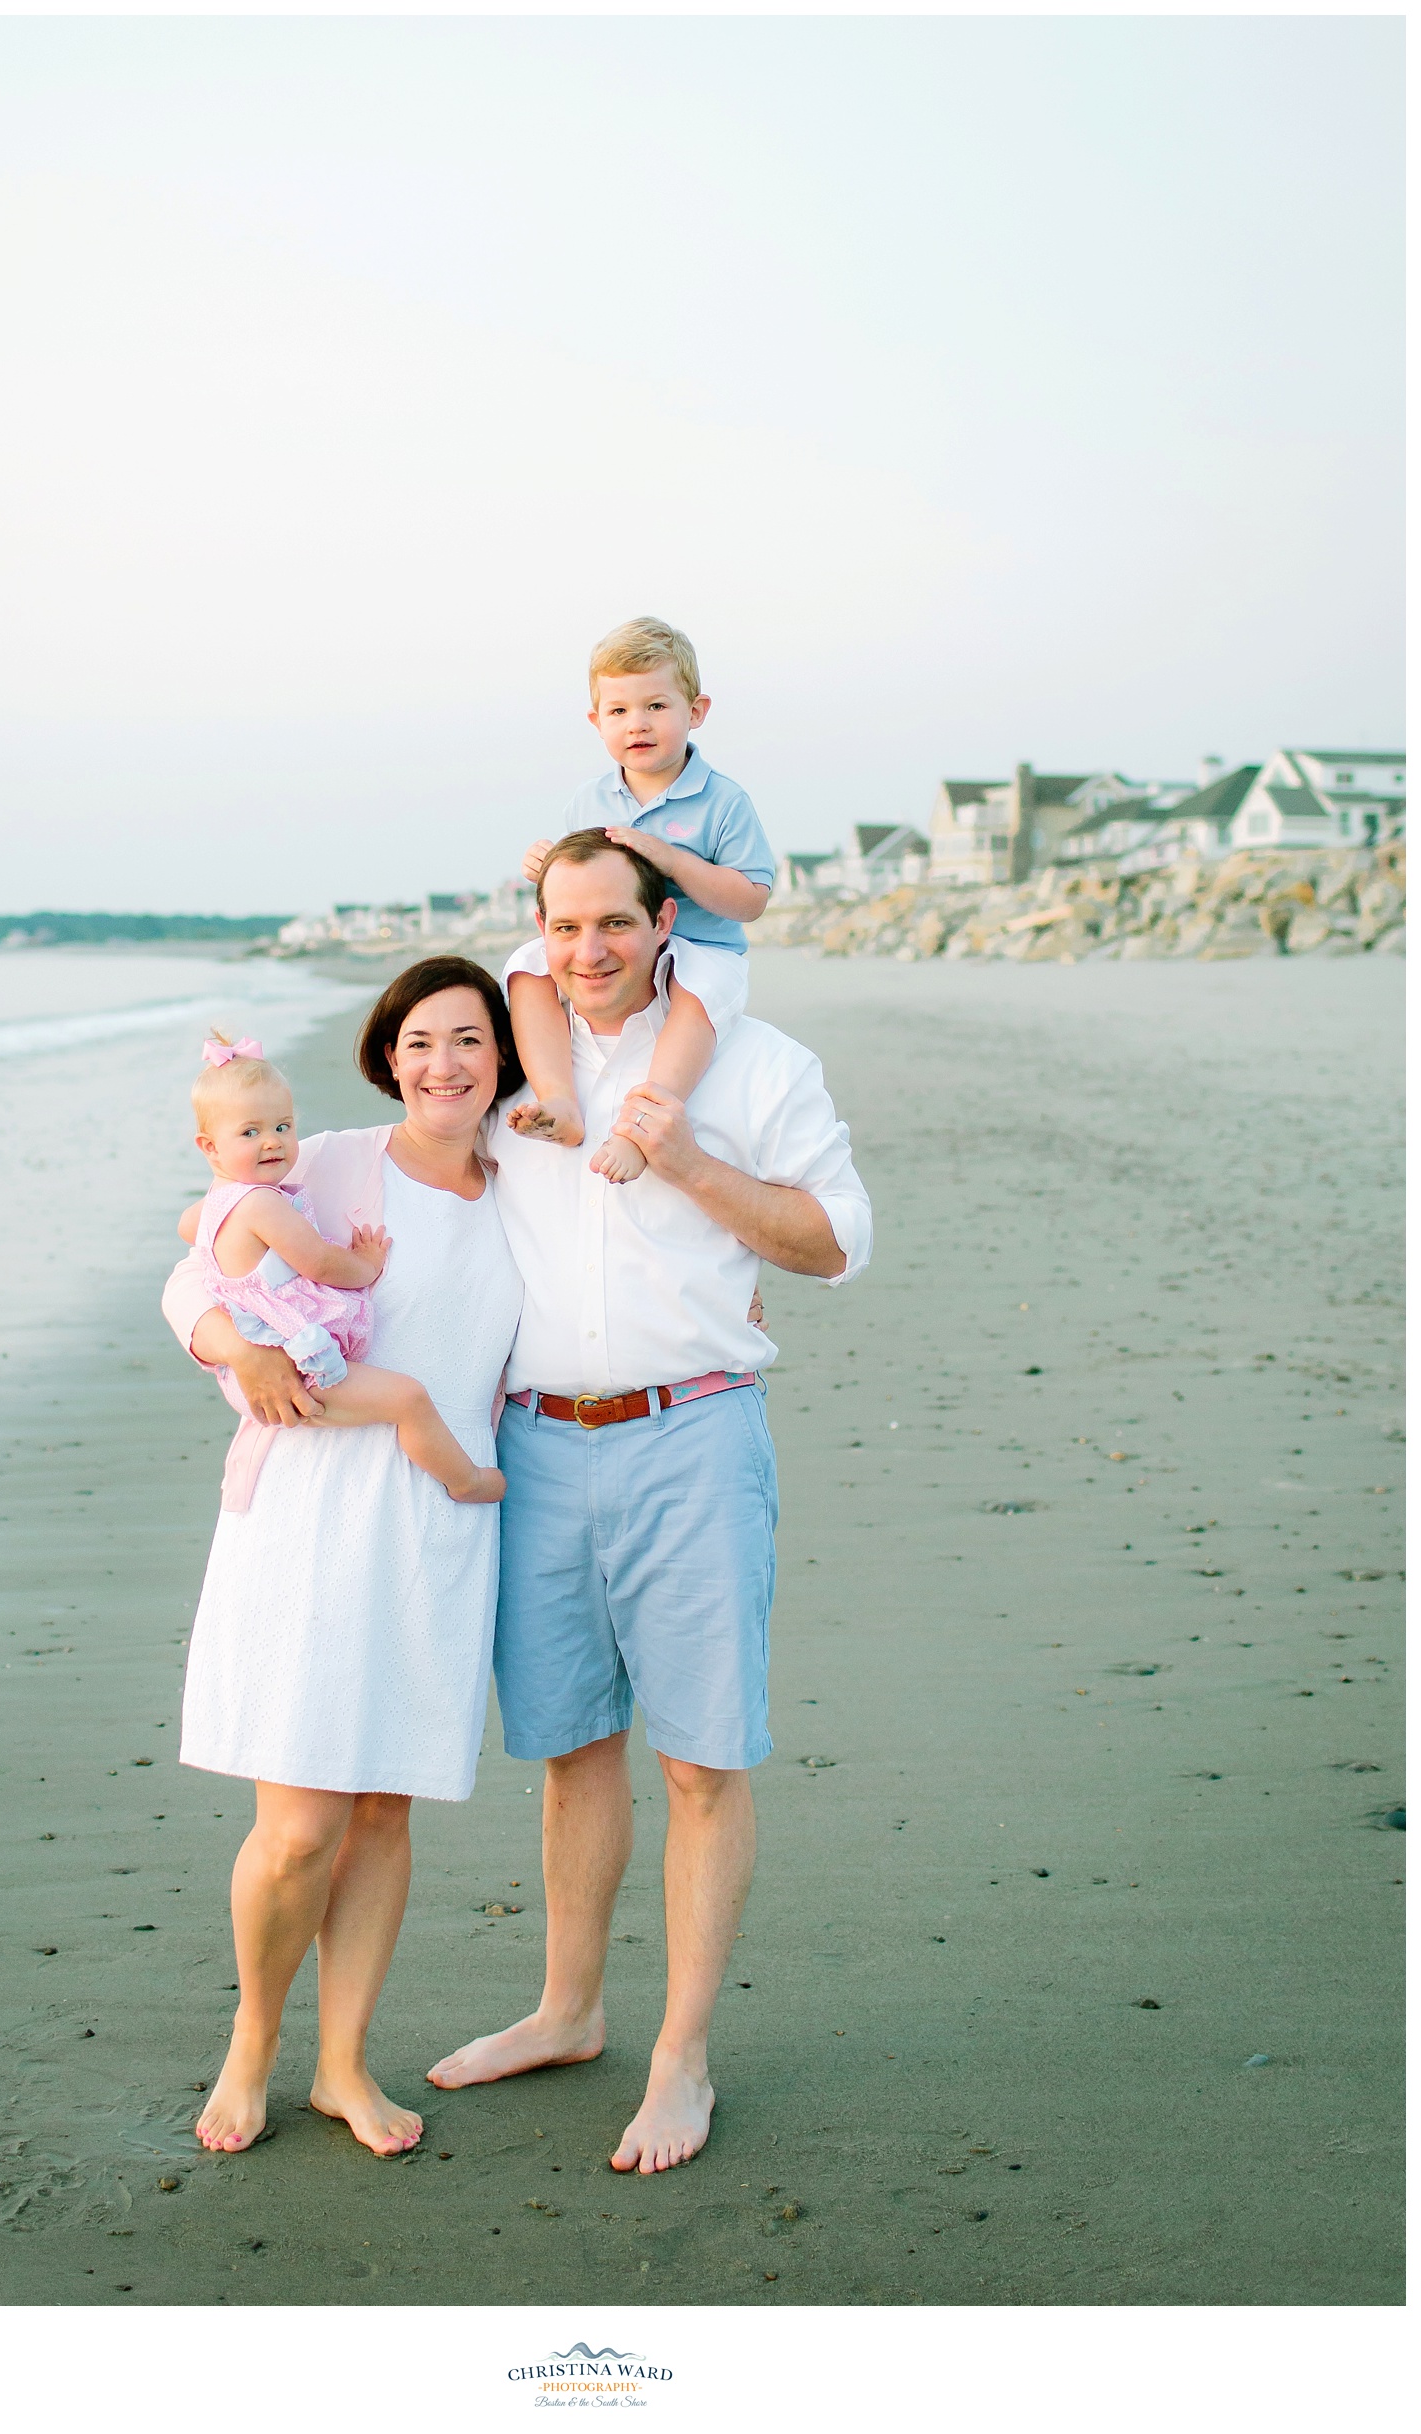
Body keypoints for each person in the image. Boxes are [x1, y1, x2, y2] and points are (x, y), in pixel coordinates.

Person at [426, 831, 871, 2174]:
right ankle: (568, 2008)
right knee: (570, 1748)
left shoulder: (754, 1061)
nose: (590, 952)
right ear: (538, 934)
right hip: (538, 1446)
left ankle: (681, 2054)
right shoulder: (510, 1073)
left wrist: (681, 1160)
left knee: (700, 1757)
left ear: (662, 917)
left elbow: (837, 1243)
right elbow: (378, 1152)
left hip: (694, 1434)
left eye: (614, 923)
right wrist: (215, 1264)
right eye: (564, 930)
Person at [161, 962, 524, 2158]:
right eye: (420, 1040)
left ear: (505, 1056)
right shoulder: (327, 1160)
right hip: (313, 1514)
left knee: (380, 1812)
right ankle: (251, 2045)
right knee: (300, 1823)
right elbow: (194, 1262)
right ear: (387, 1054)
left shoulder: (530, 1182)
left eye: (470, 1040)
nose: (444, 1064)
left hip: (438, 1530)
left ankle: (343, 2065)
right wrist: (231, 1346)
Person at [505, 616, 775, 1182]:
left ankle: (642, 1126)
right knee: (527, 964)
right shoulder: (590, 798)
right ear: (596, 721)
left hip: (702, 945)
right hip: (625, 945)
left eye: (657, 706)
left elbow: (751, 898)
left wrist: (674, 860)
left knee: (697, 992)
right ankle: (559, 1099)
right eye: (620, 711)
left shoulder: (722, 800)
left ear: (695, 712)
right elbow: (576, 875)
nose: (638, 724)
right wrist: (546, 863)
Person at [182, 1030, 503, 1503]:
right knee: (407, 1400)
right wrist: (366, 1265)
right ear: (209, 1147)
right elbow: (320, 1261)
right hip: (294, 1364)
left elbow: (192, 1229)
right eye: (250, 1133)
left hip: (274, 1361)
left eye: (283, 1127)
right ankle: (466, 1480)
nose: (272, 1143)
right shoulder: (263, 1206)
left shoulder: (219, 1205)